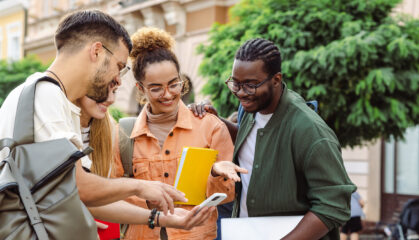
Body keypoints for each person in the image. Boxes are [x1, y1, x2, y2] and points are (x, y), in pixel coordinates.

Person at [0, 9, 195, 236]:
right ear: (97, 51)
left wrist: (158, 218)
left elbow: (78, 195)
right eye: (119, 66)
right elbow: (81, 188)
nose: (118, 79)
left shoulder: (46, 96)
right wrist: (141, 186)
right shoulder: (46, 96)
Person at [189, 38, 356, 240]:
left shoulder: (310, 130)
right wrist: (217, 120)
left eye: (250, 85)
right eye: (235, 83)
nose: (241, 93)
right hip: (246, 232)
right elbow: (250, 136)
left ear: (276, 79)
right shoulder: (250, 107)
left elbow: (333, 204)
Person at [113, 27, 246, 240]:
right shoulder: (123, 135)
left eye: (174, 84)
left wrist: (214, 173)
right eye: (156, 88)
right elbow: (111, 196)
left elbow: (228, 194)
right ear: (141, 88)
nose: (168, 95)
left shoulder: (209, 126)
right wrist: (149, 202)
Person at [77, 84, 215, 239]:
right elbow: (82, 191)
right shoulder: (59, 120)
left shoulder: (108, 129)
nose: (111, 99)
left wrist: (157, 216)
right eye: (100, 90)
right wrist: (77, 213)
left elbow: (102, 197)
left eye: (114, 91)